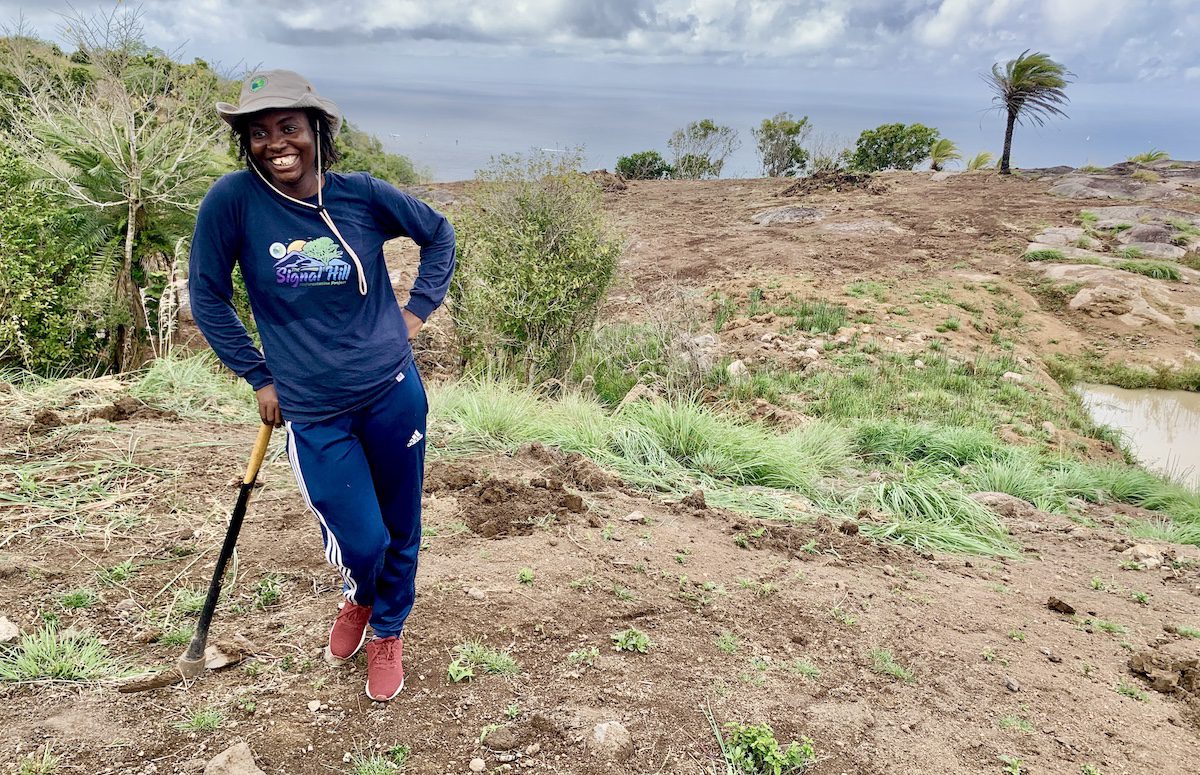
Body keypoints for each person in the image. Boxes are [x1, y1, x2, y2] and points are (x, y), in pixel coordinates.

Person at [188, 70, 455, 701]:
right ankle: (361, 592)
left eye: (287, 126)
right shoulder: (233, 203)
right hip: (314, 411)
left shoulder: (360, 196)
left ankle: (388, 628)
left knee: (402, 524)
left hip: (393, 392)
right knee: (364, 540)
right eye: (258, 132)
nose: (275, 142)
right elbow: (208, 294)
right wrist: (257, 374)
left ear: (317, 131)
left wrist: (416, 311)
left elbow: (438, 234)